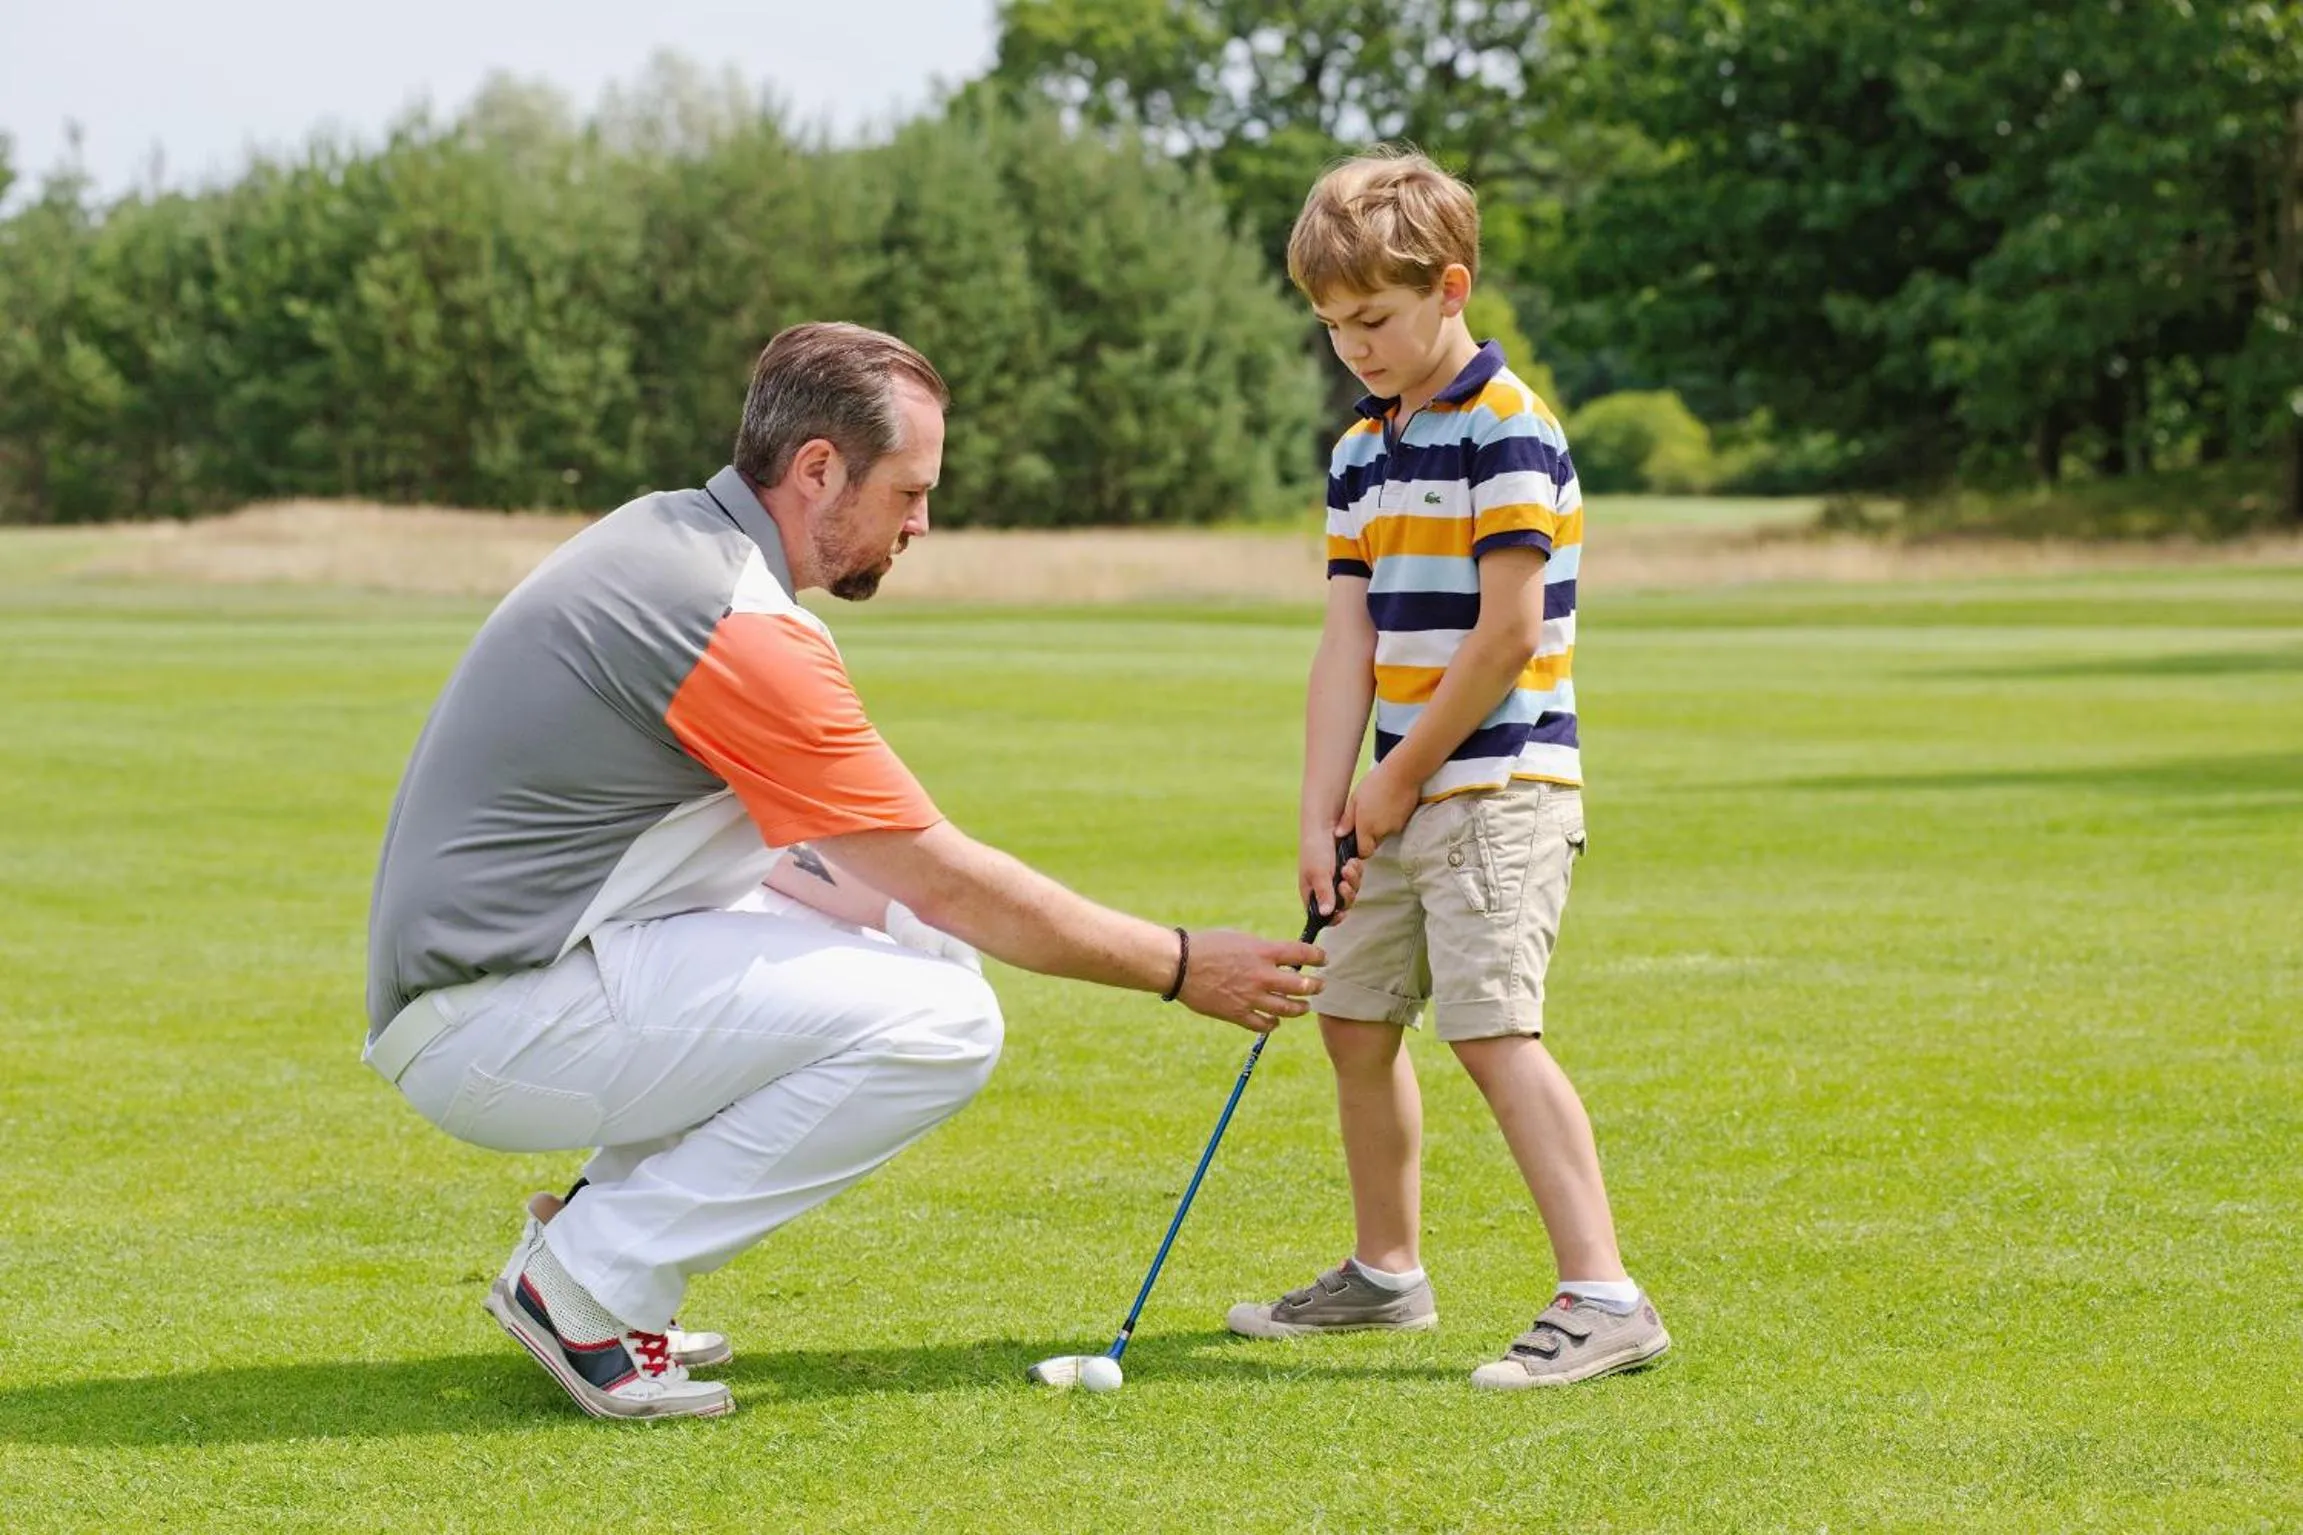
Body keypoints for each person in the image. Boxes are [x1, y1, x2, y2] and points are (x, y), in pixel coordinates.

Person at [363, 321, 1344, 1421]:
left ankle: (591, 1229)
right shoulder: (734, 618)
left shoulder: (676, 540)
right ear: (818, 468)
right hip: (488, 1021)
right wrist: (1175, 963)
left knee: (917, 946)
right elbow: (942, 872)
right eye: (908, 491)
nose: (921, 521)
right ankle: (586, 1280)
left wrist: (909, 920)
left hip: (505, 987)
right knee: (943, 1019)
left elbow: (855, 876)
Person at [1223, 151, 1670, 1388]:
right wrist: (1322, 806)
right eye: (1329, 326)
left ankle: (1603, 1292)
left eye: (1370, 318)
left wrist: (1398, 775)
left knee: (1489, 1029)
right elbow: (1345, 638)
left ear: (1448, 285)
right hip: (1395, 795)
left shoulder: (1506, 426)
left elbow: (1509, 632)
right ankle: (1385, 1273)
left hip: (1499, 790)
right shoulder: (1362, 449)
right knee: (1355, 1021)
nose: (1350, 346)